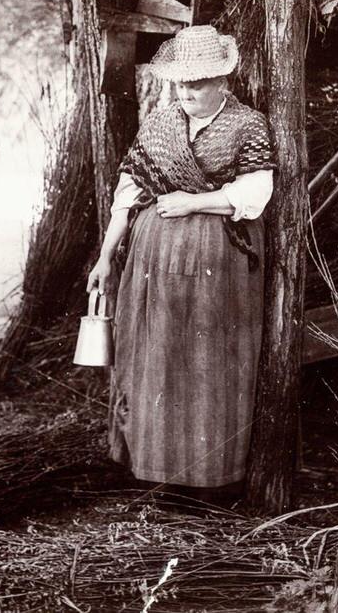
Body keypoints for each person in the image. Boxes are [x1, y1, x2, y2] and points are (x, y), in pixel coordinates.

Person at [86, 25, 276, 496]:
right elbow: (127, 196)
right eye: (181, 83)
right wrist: (106, 257)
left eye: (198, 83)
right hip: (153, 261)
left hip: (217, 262)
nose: (187, 92)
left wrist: (194, 202)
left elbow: (256, 193)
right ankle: (152, 469)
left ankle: (207, 479)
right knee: (154, 353)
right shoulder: (160, 123)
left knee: (208, 360)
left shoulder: (247, 125)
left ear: (222, 83)